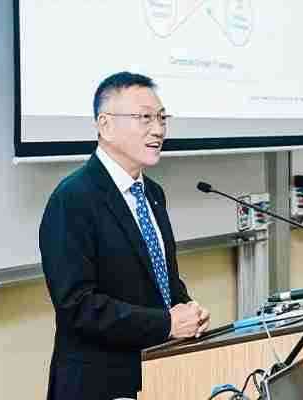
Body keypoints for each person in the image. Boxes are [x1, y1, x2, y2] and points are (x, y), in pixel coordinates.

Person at [39, 72, 211, 400]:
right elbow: (78, 306)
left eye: (162, 118)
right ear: (105, 125)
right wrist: (166, 324)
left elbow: (161, 280)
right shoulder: (73, 198)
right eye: (145, 118)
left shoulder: (153, 194)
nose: (158, 130)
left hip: (154, 373)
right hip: (98, 383)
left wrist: (187, 309)